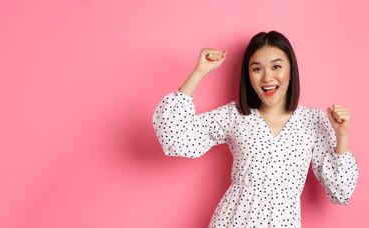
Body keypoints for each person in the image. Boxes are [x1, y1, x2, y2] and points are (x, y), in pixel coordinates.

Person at [152, 31, 358, 227]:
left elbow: (341, 191)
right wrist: (200, 71)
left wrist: (342, 135)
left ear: (291, 71)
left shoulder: (314, 120)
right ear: (249, 76)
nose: (267, 78)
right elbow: (175, 137)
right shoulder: (236, 115)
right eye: (257, 68)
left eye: (276, 67)